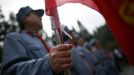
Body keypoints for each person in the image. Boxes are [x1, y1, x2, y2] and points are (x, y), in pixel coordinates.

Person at [1, 6, 88, 75]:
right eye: (36, 14)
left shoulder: (44, 41)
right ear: (26, 18)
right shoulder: (14, 38)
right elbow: (11, 72)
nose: (40, 17)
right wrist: (48, 64)